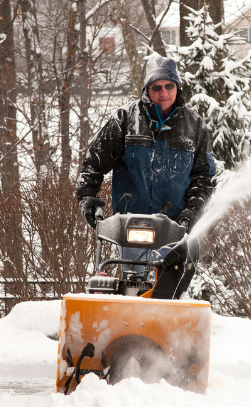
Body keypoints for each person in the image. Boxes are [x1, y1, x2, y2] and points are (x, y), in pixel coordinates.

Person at [77, 55, 216, 279]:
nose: (163, 92)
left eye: (169, 86)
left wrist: (192, 212)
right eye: (156, 87)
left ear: (177, 87)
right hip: (131, 227)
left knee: (167, 290)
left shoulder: (194, 126)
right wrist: (88, 200)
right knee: (133, 284)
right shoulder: (124, 120)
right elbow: (93, 164)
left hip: (174, 227)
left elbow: (204, 178)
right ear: (147, 89)